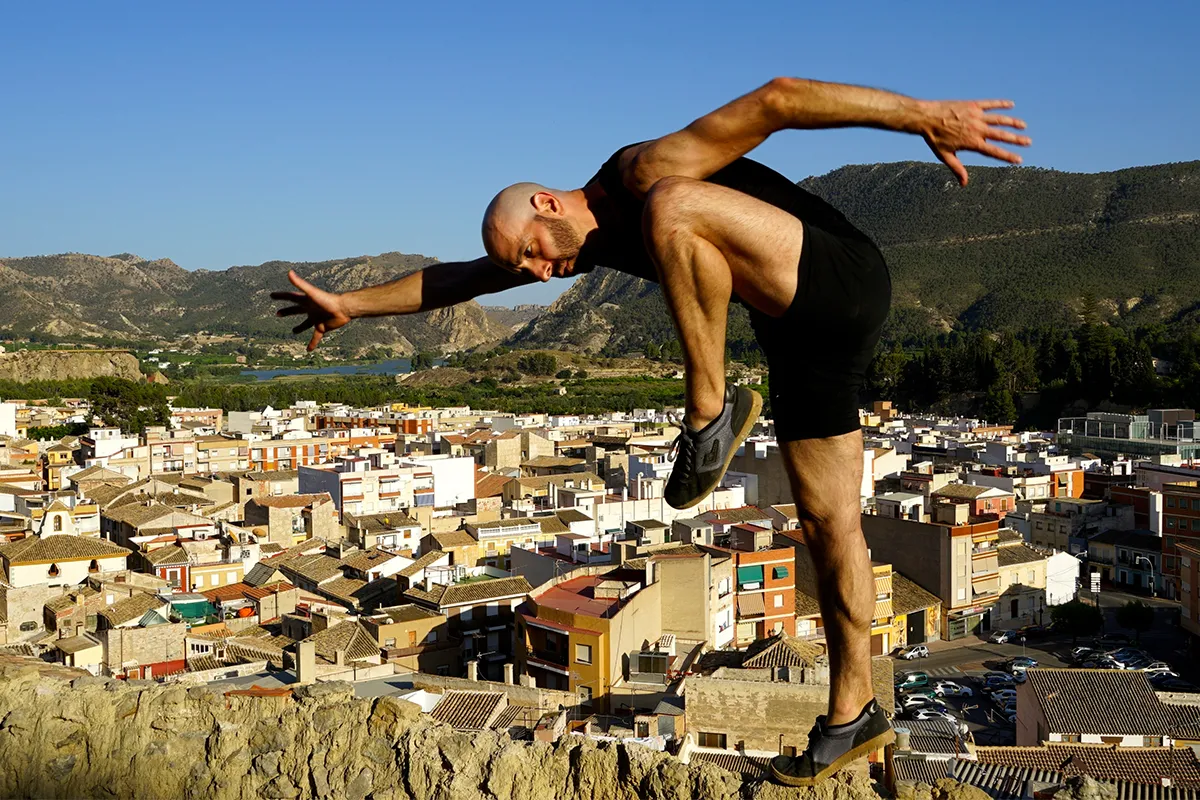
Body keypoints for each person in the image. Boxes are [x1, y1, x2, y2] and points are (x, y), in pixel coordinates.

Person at [272, 77, 1029, 785]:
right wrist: (351, 304)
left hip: (835, 275)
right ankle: (854, 712)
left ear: (547, 202)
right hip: (799, 335)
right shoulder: (574, 246)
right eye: (527, 267)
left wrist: (924, 116)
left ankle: (708, 411)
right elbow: (459, 279)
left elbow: (780, 100)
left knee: (673, 205)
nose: (537, 273)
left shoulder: (638, 172)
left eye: (531, 251)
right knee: (831, 526)